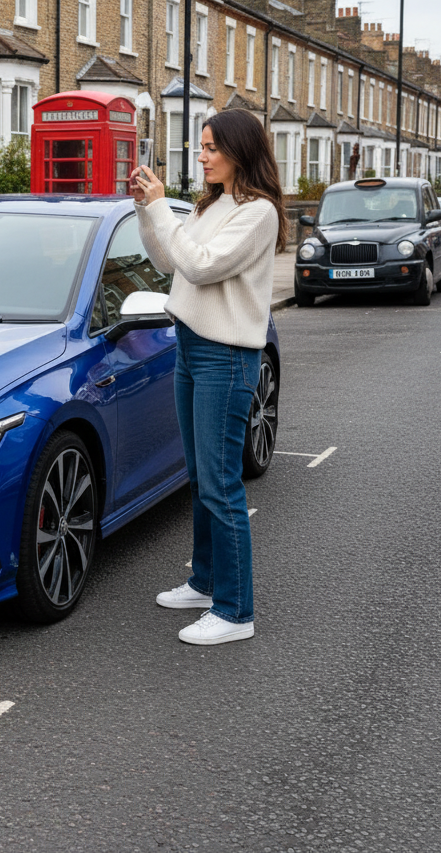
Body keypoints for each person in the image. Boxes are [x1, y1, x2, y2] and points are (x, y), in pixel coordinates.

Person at [128, 109, 287, 645]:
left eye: (211, 147)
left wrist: (161, 209)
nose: (201, 156)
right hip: (192, 347)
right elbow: (168, 262)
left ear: (240, 151)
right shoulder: (212, 204)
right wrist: (146, 211)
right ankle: (204, 582)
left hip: (227, 355)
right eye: (201, 146)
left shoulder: (258, 213)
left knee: (221, 484)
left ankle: (236, 611)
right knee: (199, 477)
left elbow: (200, 266)